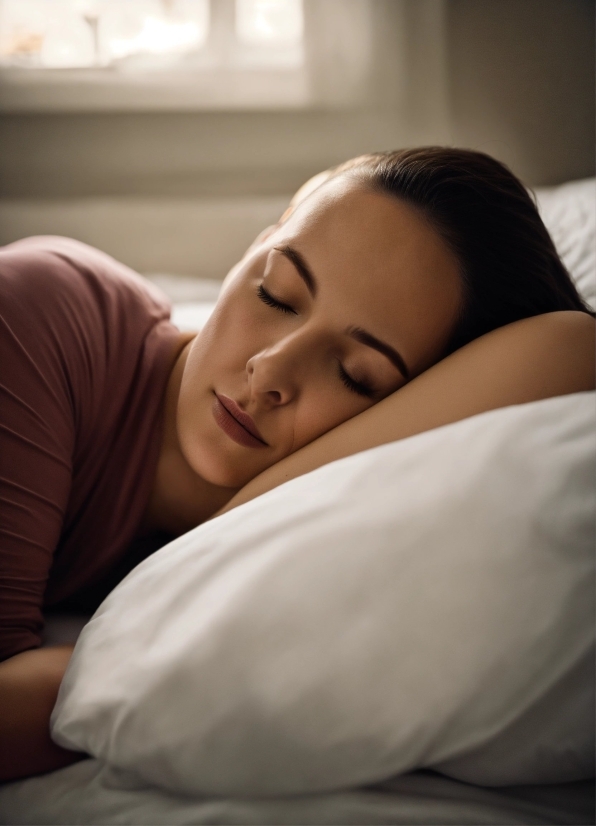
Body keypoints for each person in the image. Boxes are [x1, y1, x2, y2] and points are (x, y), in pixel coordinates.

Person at [0, 147, 594, 783]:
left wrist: (225, 532)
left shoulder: (313, 540)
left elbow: (570, 349)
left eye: (355, 374)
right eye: (276, 294)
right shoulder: (41, 311)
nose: (271, 371)